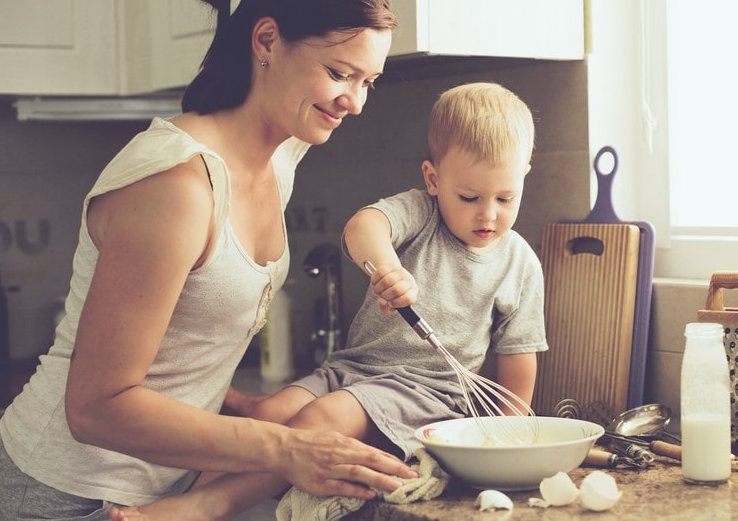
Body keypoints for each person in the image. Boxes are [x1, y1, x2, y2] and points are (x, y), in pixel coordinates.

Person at [0, 0, 416, 519]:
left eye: (368, 81)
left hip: (159, 494)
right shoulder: (177, 183)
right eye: (339, 73)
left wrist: (232, 402)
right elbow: (95, 407)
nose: (355, 101)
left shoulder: (284, 151)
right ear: (268, 40)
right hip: (58, 496)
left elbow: (172, 340)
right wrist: (287, 448)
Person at [107, 81, 549, 520]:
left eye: (505, 198)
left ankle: (204, 507)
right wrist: (387, 267)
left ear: (524, 176)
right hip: (353, 369)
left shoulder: (520, 264)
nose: (488, 214)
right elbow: (364, 227)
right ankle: (182, 506)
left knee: (320, 420)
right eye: (469, 197)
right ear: (433, 179)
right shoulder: (421, 214)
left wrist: (501, 446)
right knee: (273, 414)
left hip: (427, 395)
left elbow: (516, 379)